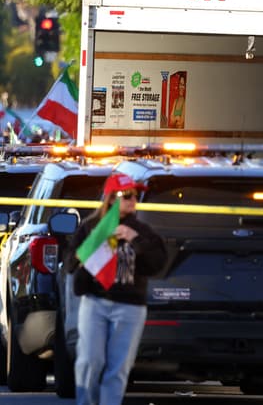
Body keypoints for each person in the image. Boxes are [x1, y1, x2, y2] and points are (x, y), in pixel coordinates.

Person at [68, 173, 167, 405]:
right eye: (128, 195)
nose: (134, 200)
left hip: (130, 306)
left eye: (136, 195)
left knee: (119, 367)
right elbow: (71, 263)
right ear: (111, 198)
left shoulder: (143, 230)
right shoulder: (92, 227)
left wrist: (135, 240)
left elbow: (158, 265)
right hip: (95, 302)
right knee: (90, 361)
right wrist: (96, 246)